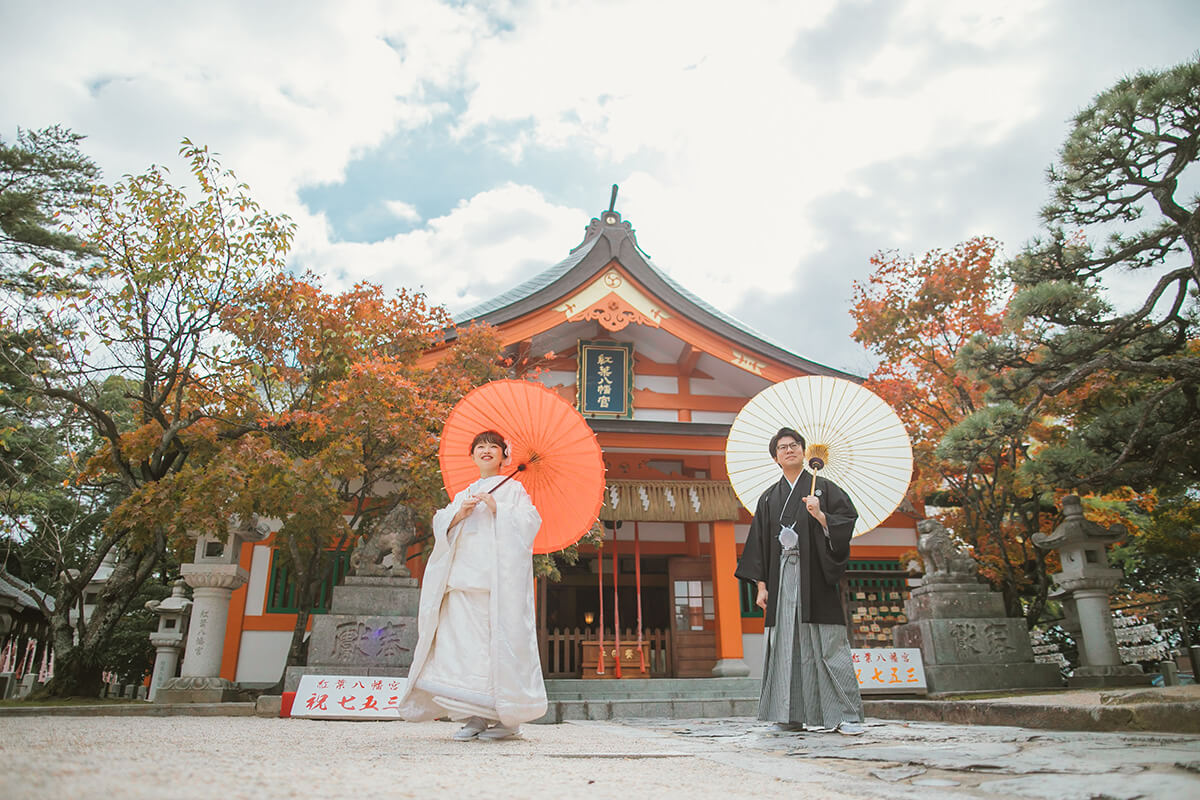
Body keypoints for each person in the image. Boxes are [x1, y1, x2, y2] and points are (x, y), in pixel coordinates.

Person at [399, 430, 547, 740]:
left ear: (505, 457)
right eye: (480, 447)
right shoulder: (464, 493)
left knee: (497, 650)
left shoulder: (514, 491)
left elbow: (530, 523)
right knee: (467, 651)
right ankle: (477, 716)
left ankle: (508, 721)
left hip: (495, 586)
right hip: (463, 582)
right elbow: (441, 525)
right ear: (472, 456)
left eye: (494, 447)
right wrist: (457, 515)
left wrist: (499, 509)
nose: (486, 451)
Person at [734, 427, 865, 735]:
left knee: (827, 644)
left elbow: (846, 523)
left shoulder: (826, 490)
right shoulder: (768, 498)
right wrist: (761, 586)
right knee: (784, 645)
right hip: (780, 578)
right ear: (775, 457)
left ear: (805, 452)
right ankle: (787, 715)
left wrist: (821, 516)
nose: (789, 450)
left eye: (794, 445)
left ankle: (843, 716)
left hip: (815, 578)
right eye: (782, 447)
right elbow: (759, 545)